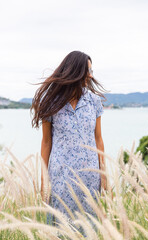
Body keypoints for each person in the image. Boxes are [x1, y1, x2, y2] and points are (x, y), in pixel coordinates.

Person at [30, 50, 108, 227]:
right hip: (60, 176)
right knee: (60, 227)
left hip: (90, 175)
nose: (90, 74)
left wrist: (103, 174)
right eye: (87, 70)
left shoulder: (94, 102)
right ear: (75, 71)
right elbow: (46, 142)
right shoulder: (50, 102)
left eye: (91, 70)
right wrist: (44, 178)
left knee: (89, 228)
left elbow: (98, 139)